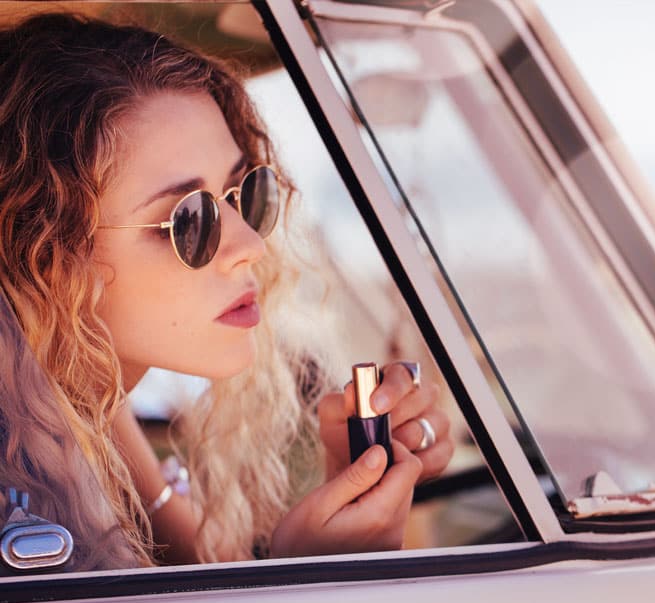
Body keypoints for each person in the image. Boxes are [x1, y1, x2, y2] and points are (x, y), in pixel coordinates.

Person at [0, 12, 454, 569]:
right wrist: (313, 580)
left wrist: (351, 486)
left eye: (245, 192)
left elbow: (189, 567)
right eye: (191, 218)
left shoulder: (75, 414)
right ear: (47, 256)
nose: (251, 245)